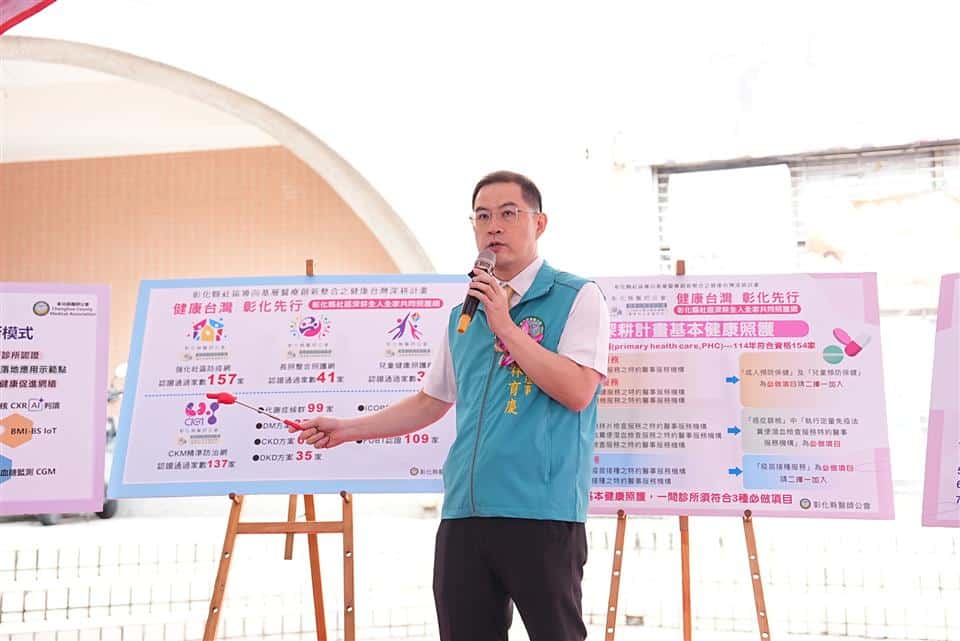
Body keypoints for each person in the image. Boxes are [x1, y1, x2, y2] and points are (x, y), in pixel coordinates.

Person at [293, 170, 609, 640]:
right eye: (482, 216)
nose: (493, 226)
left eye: (508, 213)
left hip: (540, 510)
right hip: (465, 511)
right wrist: (347, 429)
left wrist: (505, 325)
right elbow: (431, 401)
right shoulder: (464, 314)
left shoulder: (576, 296)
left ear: (539, 223)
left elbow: (578, 390)